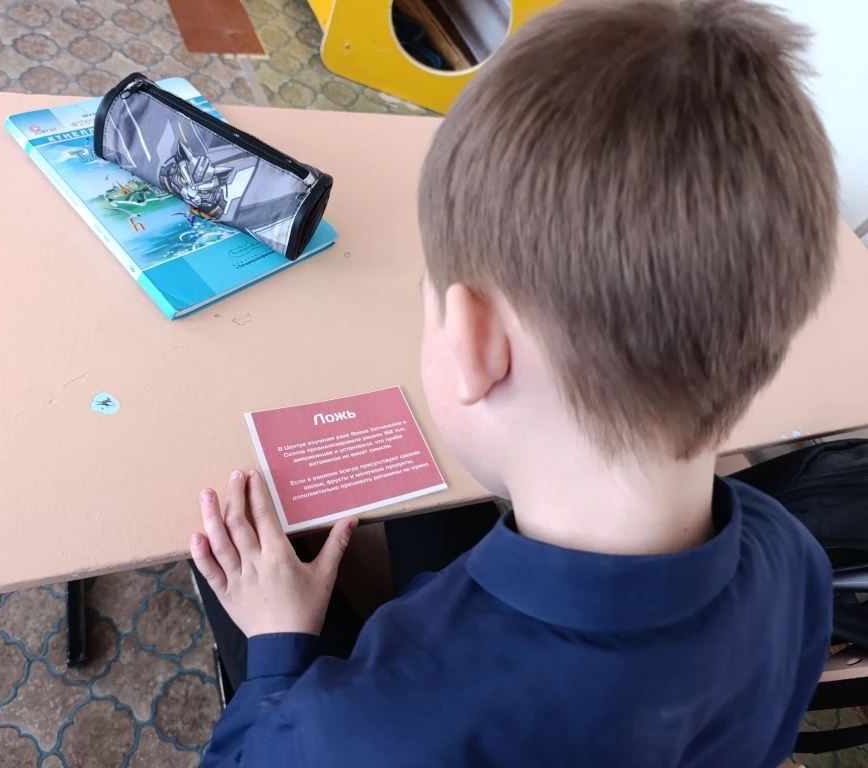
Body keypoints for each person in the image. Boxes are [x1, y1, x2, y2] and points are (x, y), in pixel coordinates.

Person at [188, 0, 838, 764]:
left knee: (224, 564)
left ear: (479, 343)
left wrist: (275, 646)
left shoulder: (354, 731)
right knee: (434, 516)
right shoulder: (796, 560)